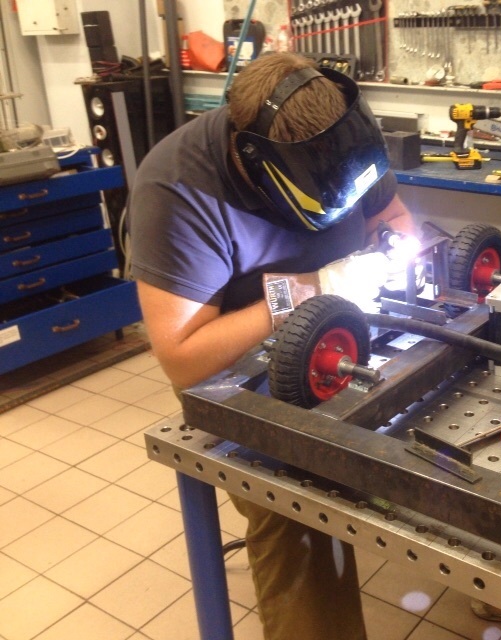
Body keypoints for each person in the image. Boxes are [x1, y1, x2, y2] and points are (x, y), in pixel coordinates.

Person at [127, 52, 415, 639]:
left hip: (347, 330)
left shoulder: (342, 143)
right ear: (257, 162)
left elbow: (396, 220)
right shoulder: (177, 190)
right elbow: (184, 358)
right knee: (295, 505)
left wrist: (390, 251)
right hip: (247, 372)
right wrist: (312, 289)